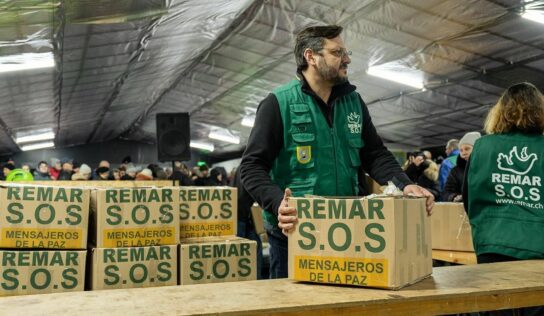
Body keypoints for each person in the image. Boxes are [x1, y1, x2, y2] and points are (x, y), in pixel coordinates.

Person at [240, 25, 434, 279]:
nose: (347, 59)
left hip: (347, 231)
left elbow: (374, 154)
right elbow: (251, 166)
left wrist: (405, 184)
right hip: (295, 234)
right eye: (337, 52)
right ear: (311, 57)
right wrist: (278, 204)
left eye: (345, 51)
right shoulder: (278, 103)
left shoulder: (353, 102)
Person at [463, 82, 544, 315]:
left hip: (492, 244)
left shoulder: (481, 147)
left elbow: (468, 198)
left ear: (500, 112)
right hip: (538, 248)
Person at [443, 132, 481, 202]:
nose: (463, 153)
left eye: (467, 149)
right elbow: (447, 192)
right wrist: (454, 197)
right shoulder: (455, 171)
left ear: (478, 148)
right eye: (461, 150)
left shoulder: (488, 168)